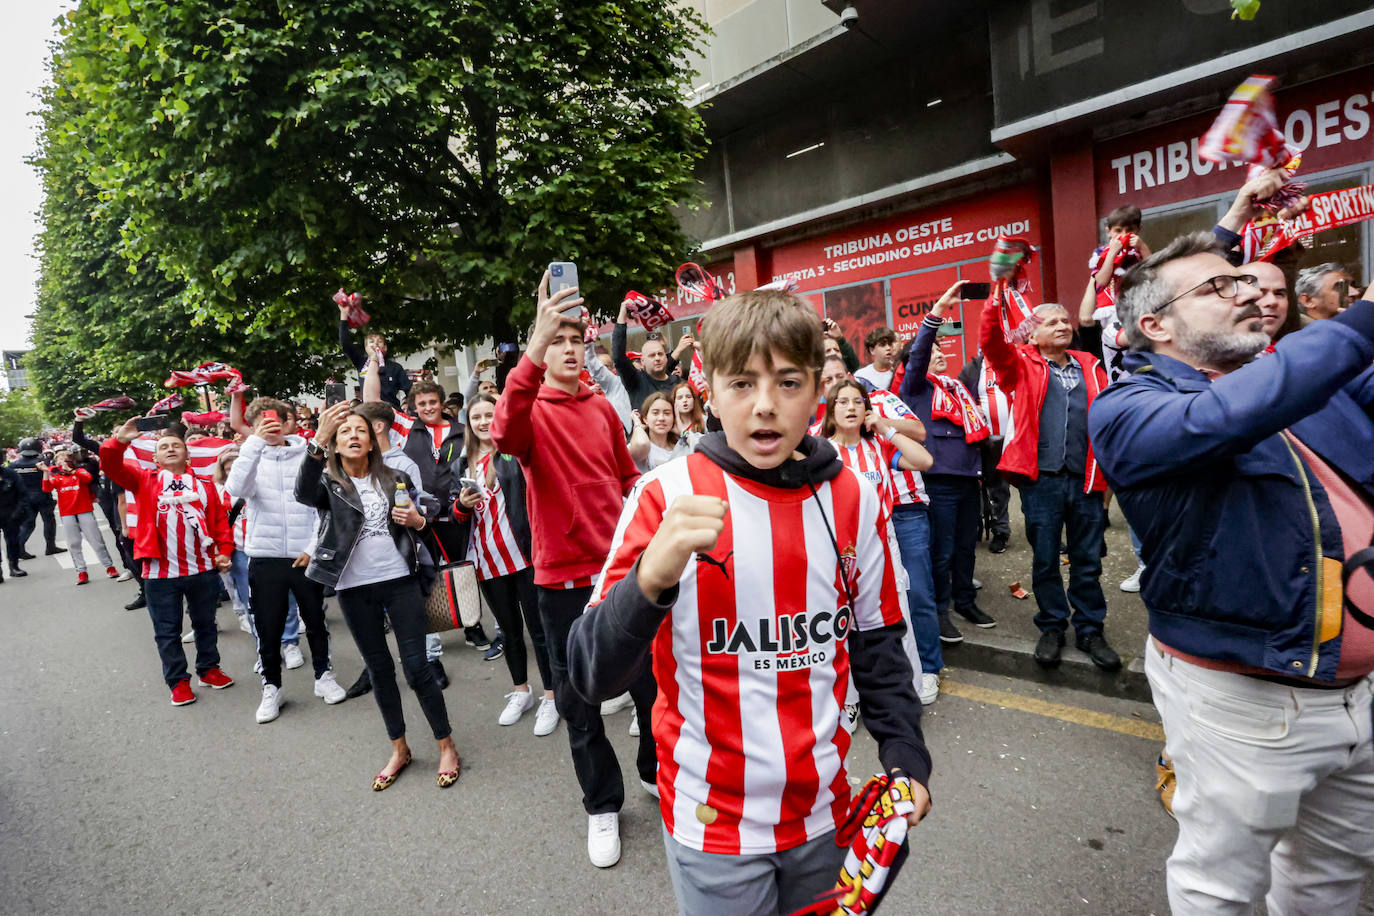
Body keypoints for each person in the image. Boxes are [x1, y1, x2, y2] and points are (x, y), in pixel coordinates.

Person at [566, 288, 932, 914]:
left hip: (827, 816)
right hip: (713, 825)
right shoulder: (664, 496)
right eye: (741, 383)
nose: (765, 406)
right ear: (708, 389)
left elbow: (877, 644)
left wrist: (906, 759)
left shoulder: (856, 497)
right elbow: (591, 675)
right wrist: (649, 579)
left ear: (819, 389)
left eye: (788, 382)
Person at [1090, 231, 1374, 913]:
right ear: (1154, 326)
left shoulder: (1304, 378)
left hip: (1356, 689)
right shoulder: (1128, 407)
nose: (1248, 292)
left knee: (1331, 881)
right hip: (1246, 699)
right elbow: (1226, 416)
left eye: (1246, 282)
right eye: (1219, 287)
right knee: (1223, 889)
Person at [492, 273, 653, 868]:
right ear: (541, 345)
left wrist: (648, 530)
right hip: (559, 581)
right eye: (555, 338)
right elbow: (504, 434)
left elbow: (627, 480)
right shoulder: (528, 409)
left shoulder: (602, 409)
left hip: (619, 574)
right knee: (579, 702)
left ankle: (654, 772)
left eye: (574, 337)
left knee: (649, 683)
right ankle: (602, 805)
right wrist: (530, 348)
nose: (567, 347)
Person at [295, 401, 461, 791]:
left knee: (418, 668)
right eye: (344, 432)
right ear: (335, 445)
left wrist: (419, 520)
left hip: (401, 581)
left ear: (372, 441)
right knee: (380, 670)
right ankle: (399, 748)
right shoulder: (329, 484)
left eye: (360, 431)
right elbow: (303, 492)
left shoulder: (395, 476)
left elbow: (429, 509)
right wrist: (318, 439)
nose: (353, 435)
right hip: (354, 589)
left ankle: (446, 744)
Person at [979, 298, 1121, 671]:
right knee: (1045, 559)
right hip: (1041, 481)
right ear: (1034, 334)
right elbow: (993, 344)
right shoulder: (1021, 364)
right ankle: (1053, 626)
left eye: (1064, 320)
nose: (1062, 325)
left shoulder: (1090, 365)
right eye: (1051, 322)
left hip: (1086, 477)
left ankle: (1090, 629)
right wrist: (996, 301)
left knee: (1087, 560)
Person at [225, 397, 345, 723]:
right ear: (251, 426)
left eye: (278, 420)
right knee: (268, 625)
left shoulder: (308, 452)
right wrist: (254, 443)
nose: (272, 425)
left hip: (304, 553)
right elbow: (236, 488)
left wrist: (311, 547)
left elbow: (322, 506)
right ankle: (271, 687)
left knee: (315, 620)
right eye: (263, 422)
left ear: (289, 421)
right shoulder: (250, 456)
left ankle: (324, 676)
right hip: (264, 556)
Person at [100, 422, 236, 706]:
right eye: (164, 447)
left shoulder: (204, 486)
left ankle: (209, 669)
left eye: (176, 445)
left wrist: (224, 551)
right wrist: (118, 442)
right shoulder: (143, 481)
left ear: (187, 454)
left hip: (202, 569)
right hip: (160, 573)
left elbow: (220, 524)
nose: (171, 449)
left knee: (206, 624)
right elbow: (111, 466)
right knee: (167, 631)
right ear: (155, 458)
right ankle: (178, 682)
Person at [364, 359, 493, 653]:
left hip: (462, 512)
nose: (428, 408)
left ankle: (472, 626)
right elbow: (372, 402)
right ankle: (433, 627)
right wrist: (373, 362)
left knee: (467, 569)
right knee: (425, 572)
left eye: (432, 402)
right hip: (421, 515)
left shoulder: (464, 429)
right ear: (414, 407)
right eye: (421, 403)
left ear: (441, 402)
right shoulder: (408, 427)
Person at [448, 393, 558, 735]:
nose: (482, 422)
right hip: (487, 560)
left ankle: (552, 697)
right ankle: (521, 691)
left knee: (539, 630)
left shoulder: (513, 453)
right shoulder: (460, 464)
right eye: (476, 417)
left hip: (523, 555)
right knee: (509, 632)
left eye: (488, 415)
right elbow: (455, 517)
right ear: (468, 422)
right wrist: (463, 506)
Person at [901, 281, 997, 642]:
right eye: (932, 351)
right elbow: (921, 351)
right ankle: (940, 609)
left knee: (964, 547)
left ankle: (965, 600)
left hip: (968, 479)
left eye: (943, 349)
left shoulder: (958, 389)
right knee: (940, 552)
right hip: (938, 482)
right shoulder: (915, 390)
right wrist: (938, 312)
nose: (939, 354)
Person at [956, 353, 1013, 554]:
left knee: (1033, 489)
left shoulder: (1016, 359)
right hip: (991, 440)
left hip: (1019, 436)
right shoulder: (974, 368)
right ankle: (1001, 531)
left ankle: (1046, 534)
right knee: (997, 489)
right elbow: (960, 396)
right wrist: (972, 409)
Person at [41, 450, 118, 585]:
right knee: (74, 543)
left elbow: (87, 479)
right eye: (59, 461)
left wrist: (71, 471)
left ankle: (109, 566)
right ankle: (81, 571)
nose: (61, 463)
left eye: (64, 460)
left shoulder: (80, 472)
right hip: (67, 513)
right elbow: (46, 488)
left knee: (96, 540)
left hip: (84, 510)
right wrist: (46, 472)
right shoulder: (57, 476)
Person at [613, 299, 684, 408]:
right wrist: (622, 314)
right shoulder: (635, 380)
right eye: (652, 355)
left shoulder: (679, 384)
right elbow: (618, 357)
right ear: (643, 361)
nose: (657, 358)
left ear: (666, 357)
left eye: (660, 354)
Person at [11, 438, 65, 558]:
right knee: (49, 521)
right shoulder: (44, 462)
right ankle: (50, 546)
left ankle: (19, 548)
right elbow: (55, 475)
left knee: (28, 524)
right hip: (43, 496)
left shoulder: (13, 465)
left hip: (24, 498)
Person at [628, 392, 691, 473]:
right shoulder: (638, 445)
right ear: (645, 419)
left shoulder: (681, 446)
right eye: (655, 413)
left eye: (667, 413)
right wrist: (637, 424)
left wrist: (682, 431)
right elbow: (641, 444)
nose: (661, 418)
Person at [855, 325, 898, 391]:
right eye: (883, 345)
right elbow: (860, 399)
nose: (888, 348)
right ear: (872, 350)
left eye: (890, 344)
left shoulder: (899, 372)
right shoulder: (861, 376)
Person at [0, 461, 23, 581]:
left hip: (10, 513)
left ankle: (14, 566)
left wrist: (17, 512)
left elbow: (22, 493)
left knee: (13, 541)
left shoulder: (10, 474)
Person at [670, 381, 705, 446]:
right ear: (674, 402)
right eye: (680, 398)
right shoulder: (670, 425)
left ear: (694, 400)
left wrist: (682, 430)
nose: (685, 400)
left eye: (688, 397)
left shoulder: (704, 420)